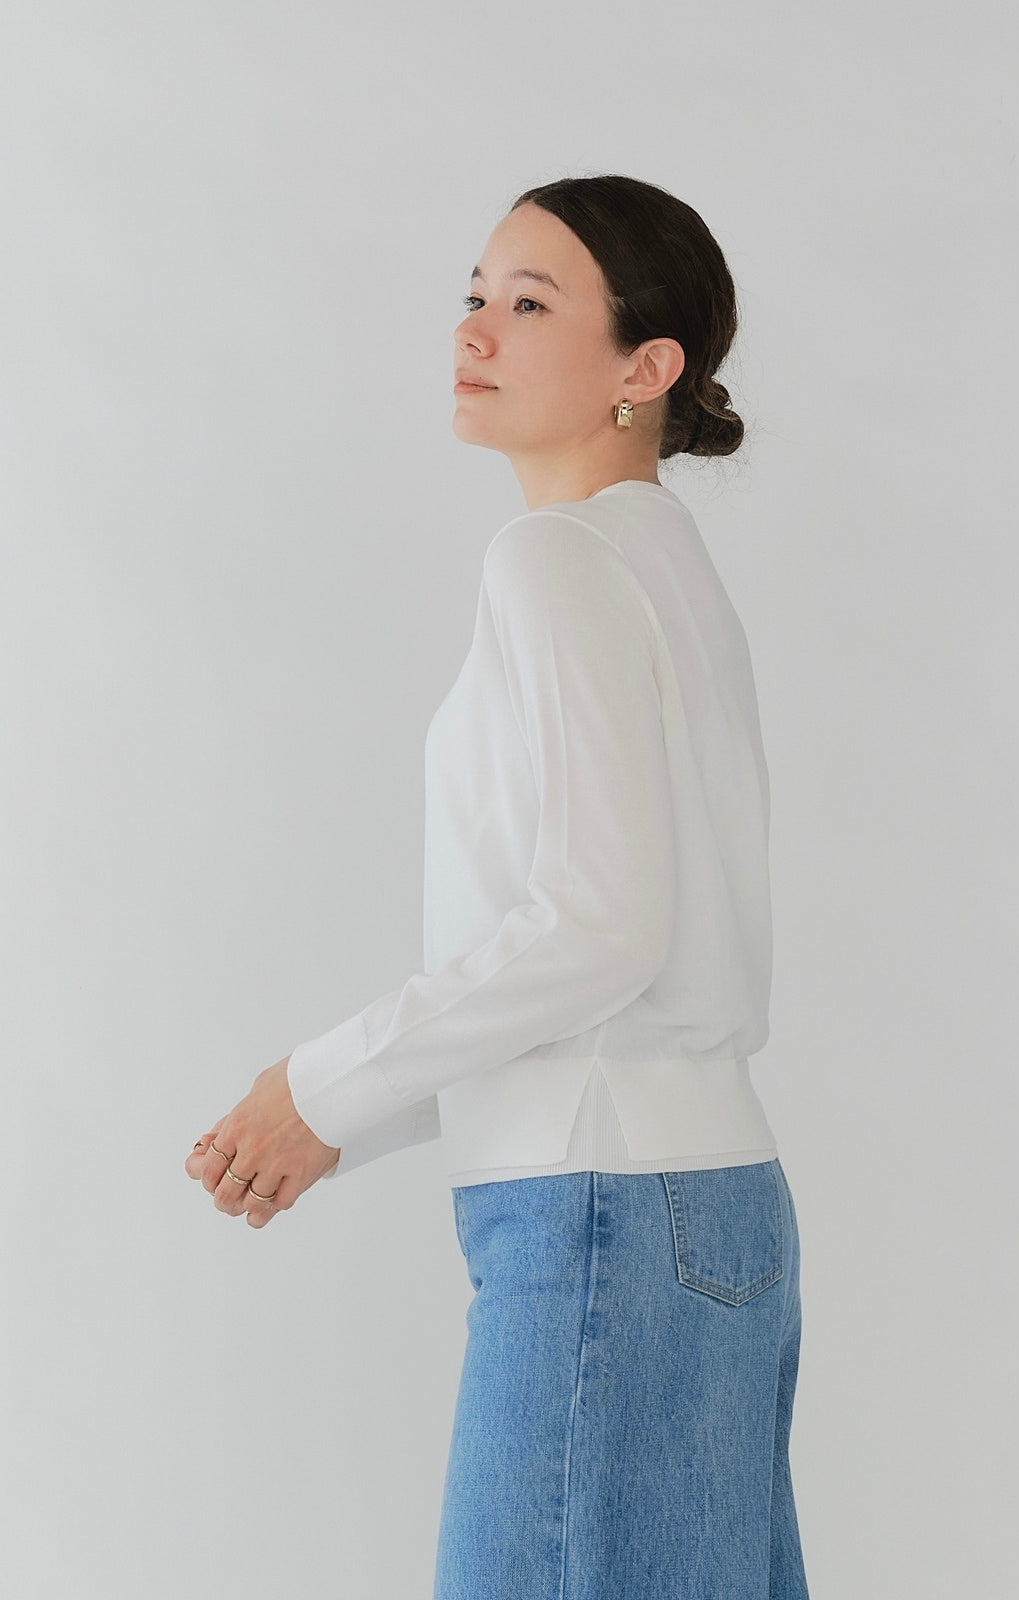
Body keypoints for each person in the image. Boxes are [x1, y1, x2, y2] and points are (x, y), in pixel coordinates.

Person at [185, 172, 810, 1599]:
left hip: (603, 1216)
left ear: (646, 370)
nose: (474, 330)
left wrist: (319, 1090)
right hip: (708, 1202)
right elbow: (623, 955)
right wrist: (350, 1119)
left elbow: (601, 929)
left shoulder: (557, 558)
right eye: (474, 294)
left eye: (531, 303)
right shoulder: (666, 562)